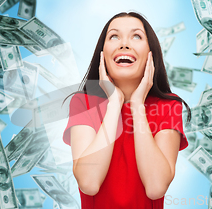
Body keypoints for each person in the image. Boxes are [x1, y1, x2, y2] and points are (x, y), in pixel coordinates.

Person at [62, 12, 191, 208]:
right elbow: (89, 183)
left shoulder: (169, 106)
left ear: (151, 53)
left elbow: (156, 187)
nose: (124, 44)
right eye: (114, 36)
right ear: (102, 54)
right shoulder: (83, 103)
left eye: (136, 36)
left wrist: (137, 105)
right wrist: (114, 102)